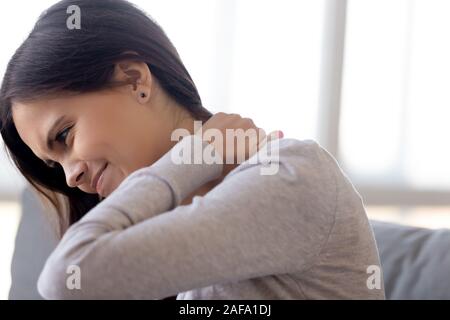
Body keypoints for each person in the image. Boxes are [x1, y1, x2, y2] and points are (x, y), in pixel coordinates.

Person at [0, 0, 385, 299]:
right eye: (55, 165)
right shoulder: (175, 227)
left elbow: (65, 279)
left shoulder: (291, 176)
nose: (71, 176)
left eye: (65, 135)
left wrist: (191, 157)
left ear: (135, 80)